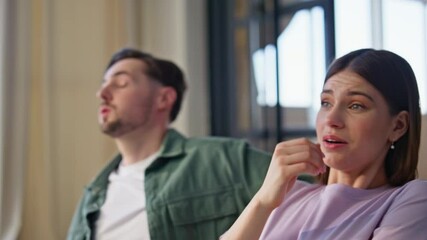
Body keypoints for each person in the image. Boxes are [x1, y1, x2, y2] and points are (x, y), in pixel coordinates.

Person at [66, 48, 273, 240]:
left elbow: (304, 205)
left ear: (164, 98)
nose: (102, 93)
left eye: (121, 83)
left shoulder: (227, 159)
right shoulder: (93, 194)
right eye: (103, 83)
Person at [221, 48, 427, 240]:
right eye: (326, 103)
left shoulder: (411, 199)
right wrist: (263, 201)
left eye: (356, 105)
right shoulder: (288, 195)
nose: (331, 119)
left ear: (398, 126)